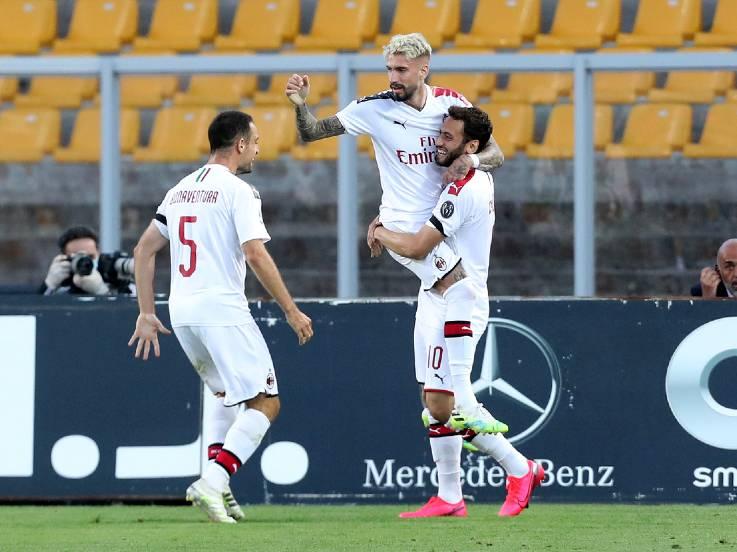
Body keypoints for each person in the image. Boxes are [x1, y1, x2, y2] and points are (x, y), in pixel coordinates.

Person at [285, 33, 519, 518]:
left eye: (402, 70)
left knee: (436, 399)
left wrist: (473, 159)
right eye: (389, 69)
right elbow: (313, 132)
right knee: (455, 285)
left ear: (424, 68)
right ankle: (475, 414)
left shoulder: (452, 108)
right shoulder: (374, 109)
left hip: (432, 236)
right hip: (413, 236)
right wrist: (300, 105)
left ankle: (455, 487)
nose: (393, 78)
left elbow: (495, 152)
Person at [127, 110, 314, 523]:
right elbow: (255, 253)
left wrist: (145, 312)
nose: (260, 149)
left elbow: (143, 251)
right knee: (266, 402)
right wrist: (290, 309)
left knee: (224, 396)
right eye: (256, 140)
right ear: (240, 144)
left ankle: (220, 490)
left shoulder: (178, 190)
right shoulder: (238, 190)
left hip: (183, 311)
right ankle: (213, 481)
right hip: (221, 307)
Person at [369, 106, 544, 518]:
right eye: (439, 133)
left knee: (456, 401)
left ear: (470, 146)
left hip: (461, 296)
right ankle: (449, 495)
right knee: (435, 401)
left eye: (447, 137)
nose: (437, 142)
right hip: (434, 294)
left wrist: (379, 231)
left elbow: (415, 247)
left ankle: (521, 469)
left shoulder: (464, 189)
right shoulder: (460, 179)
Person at [39, 226, 134, 296]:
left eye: (90, 256)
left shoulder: (116, 282)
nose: (85, 262)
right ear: (65, 258)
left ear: (98, 253)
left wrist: (102, 291)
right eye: (78, 257)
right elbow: (35, 315)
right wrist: (49, 284)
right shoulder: (59, 291)